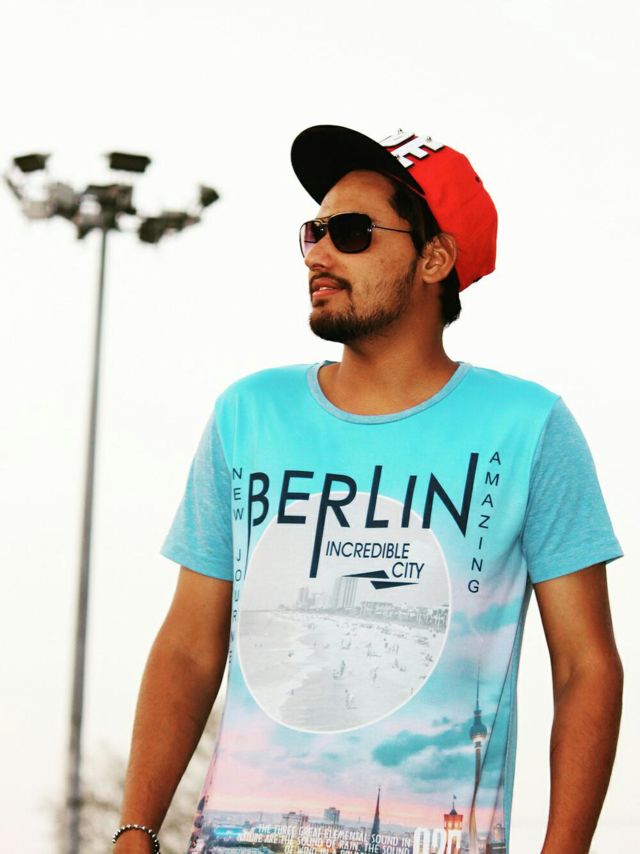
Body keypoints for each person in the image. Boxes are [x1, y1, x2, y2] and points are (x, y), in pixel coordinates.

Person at [113, 126, 623, 854]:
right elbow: (190, 646)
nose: (318, 254)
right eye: (313, 231)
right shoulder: (248, 413)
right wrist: (135, 831)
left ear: (434, 258)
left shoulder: (529, 427)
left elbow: (585, 667)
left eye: (351, 233)